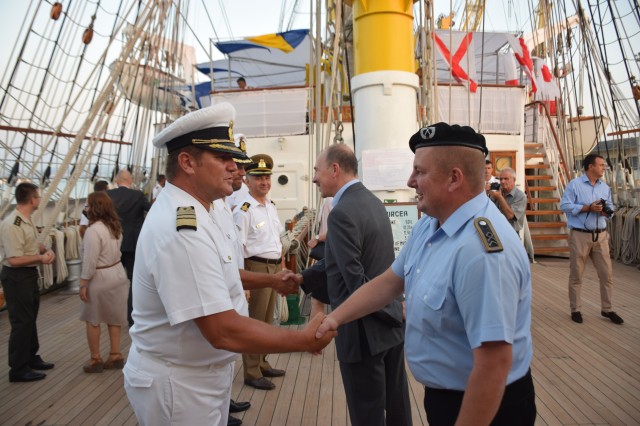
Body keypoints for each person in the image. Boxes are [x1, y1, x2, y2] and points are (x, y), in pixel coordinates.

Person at [123, 102, 334, 426]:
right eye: (222, 157)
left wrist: (270, 280)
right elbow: (221, 330)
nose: (233, 166)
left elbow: (219, 274)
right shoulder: (183, 230)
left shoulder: (199, 211)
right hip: (180, 386)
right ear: (187, 162)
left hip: (197, 377)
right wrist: (304, 340)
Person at [316, 123, 537, 425]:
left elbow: (494, 364)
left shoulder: (482, 253)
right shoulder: (430, 225)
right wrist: (335, 319)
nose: (410, 181)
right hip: (445, 396)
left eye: (419, 172)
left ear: (454, 178)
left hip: (485, 404)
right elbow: (389, 282)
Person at [293, 144, 412, 426]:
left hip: (362, 335)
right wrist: (303, 278)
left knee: (367, 415)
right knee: (398, 409)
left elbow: (356, 280)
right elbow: (344, 263)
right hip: (390, 330)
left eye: (317, 171)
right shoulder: (373, 202)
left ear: (334, 169)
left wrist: (395, 310)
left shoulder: (342, 212)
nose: (314, 178)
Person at [233, 154, 288, 391]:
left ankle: (263, 362)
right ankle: (252, 371)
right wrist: (243, 283)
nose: (264, 182)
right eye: (258, 178)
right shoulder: (244, 211)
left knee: (267, 320)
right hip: (255, 268)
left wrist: (282, 267)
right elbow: (238, 247)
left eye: (267, 177)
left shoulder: (270, 206)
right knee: (255, 322)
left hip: (273, 268)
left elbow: (276, 240)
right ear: (248, 180)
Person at [0, 182, 56, 382]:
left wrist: (44, 249)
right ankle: (18, 368)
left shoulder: (26, 220)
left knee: (29, 319)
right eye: (38, 196)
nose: (39, 199)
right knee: (21, 322)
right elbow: (14, 259)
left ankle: (31, 357)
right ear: (32, 200)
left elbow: (29, 246)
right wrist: (40, 258)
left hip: (28, 275)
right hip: (17, 277)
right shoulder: (13, 224)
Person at [559, 153, 623, 325]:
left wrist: (606, 212)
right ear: (591, 167)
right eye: (601, 165)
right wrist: (587, 208)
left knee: (606, 274)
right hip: (580, 235)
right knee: (576, 275)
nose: (604, 168)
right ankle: (576, 309)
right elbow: (564, 206)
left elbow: (610, 209)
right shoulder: (575, 185)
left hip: (601, 236)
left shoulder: (605, 187)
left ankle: (607, 309)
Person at [79, 191, 129, 373]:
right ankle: (115, 355)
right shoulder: (115, 227)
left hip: (100, 277)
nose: (86, 209)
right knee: (114, 317)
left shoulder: (93, 231)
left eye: (88, 205)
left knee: (93, 318)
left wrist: (83, 283)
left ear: (94, 208)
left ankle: (95, 359)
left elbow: (90, 261)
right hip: (117, 273)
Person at [107, 170, 151, 326]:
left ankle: (112, 315)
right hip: (133, 244)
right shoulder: (137, 195)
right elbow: (152, 210)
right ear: (131, 180)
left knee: (113, 280)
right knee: (134, 280)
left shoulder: (108, 195)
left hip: (112, 243)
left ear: (116, 180)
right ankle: (132, 317)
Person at [487, 167, 526, 234]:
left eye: (506, 179)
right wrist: (486, 193)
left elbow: (510, 215)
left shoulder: (520, 196)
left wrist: (499, 197)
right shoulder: (497, 192)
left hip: (511, 233)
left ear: (514, 180)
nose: (502, 181)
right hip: (495, 231)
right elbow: (488, 210)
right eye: (501, 179)